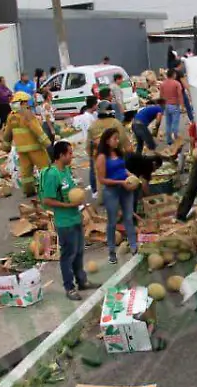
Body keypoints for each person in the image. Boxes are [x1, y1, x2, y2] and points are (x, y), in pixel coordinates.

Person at [39, 140, 89, 300]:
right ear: (61, 155)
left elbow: (71, 192)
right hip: (64, 222)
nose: (72, 156)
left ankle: (82, 281)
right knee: (68, 255)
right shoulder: (52, 174)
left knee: (79, 251)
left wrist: (79, 204)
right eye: (70, 153)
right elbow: (47, 200)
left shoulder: (66, 170)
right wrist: (68, 206)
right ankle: (69, 288)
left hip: (75, 218)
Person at [94, 128, 137, 264]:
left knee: (129, 217)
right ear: (107, 140)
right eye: (115, 139)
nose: (117, 141)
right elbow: (102, 180)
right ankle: (112, 251)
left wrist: (130, 175)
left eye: (118, 138)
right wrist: (121, 182)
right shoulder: (101, 157)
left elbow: (122, 168)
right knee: (112, 222)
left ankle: (133, 246)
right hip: (112, 191)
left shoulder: (118, 153)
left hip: (126, 188)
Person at [3, 92, 52, 196]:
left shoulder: (11, 116)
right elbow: (36, 129)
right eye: (26, 102)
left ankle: (29, 191)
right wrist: (46, 142)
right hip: (35, 147)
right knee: (45, 168)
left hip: (21, 149)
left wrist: (6, 147)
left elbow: (7, 133)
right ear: (22, 103)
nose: (28, 104)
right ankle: (50, 188)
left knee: (26, 172)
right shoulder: (27, 114)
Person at [86, 100, 131, 193]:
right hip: (115, 156)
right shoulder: (115, 123)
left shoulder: (93, 126)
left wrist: (93, 156)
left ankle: (102, 199)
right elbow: (123, 140)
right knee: (118, 177)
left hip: (99, 156)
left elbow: (88, 146)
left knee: (101, 181)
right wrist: (128, 151)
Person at [159, 69, 184, 145]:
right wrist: (182, 105)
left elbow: (161, 96)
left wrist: (161, 107)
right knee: (175, 123)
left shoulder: (163, 84)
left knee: (168, 123)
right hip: (174, 106)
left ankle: (169, 140)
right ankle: (175, 138)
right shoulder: (177, 83)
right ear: (173, 75)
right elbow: (180, 95)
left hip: (166, 105)